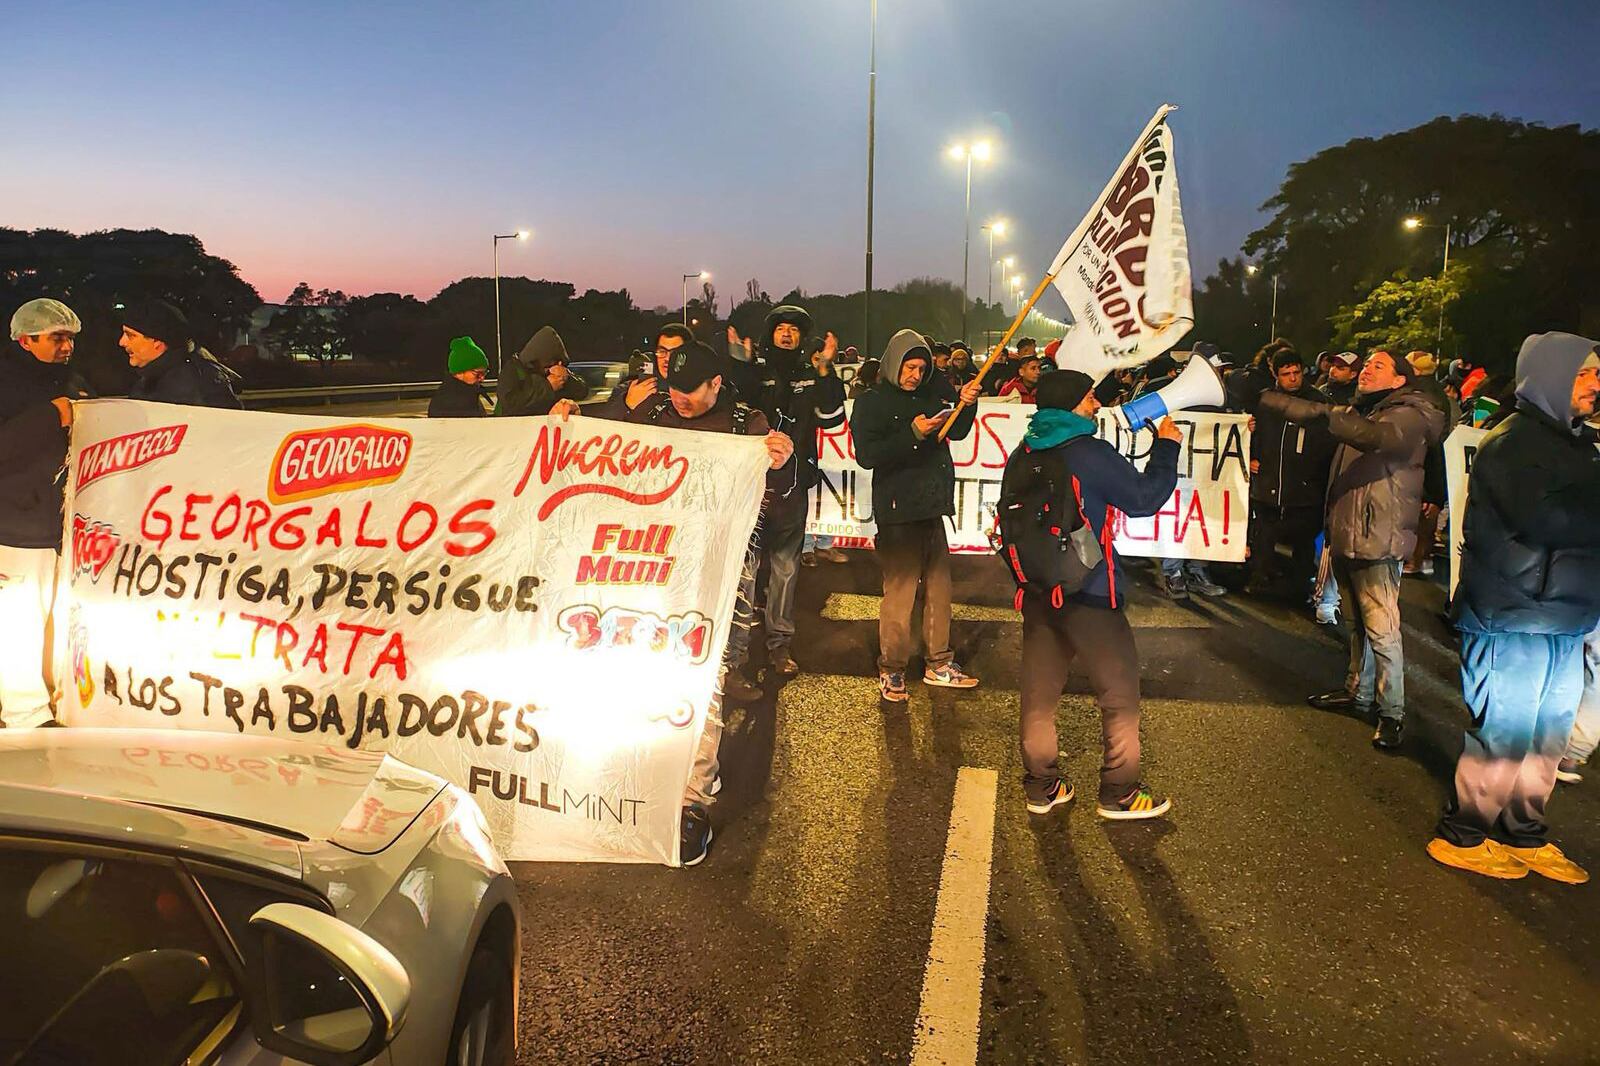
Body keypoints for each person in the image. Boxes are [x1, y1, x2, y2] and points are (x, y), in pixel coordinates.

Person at [602, 341, 795, 864]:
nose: (680, 400)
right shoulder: (655, 411)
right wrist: (570, 417)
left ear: (716, 385)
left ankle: (693, 798)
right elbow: (603, 454)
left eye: (691, 391)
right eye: (674, 389)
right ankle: (641, 771)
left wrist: (781, 463)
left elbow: (781, 497)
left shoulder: (746, 424)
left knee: (701, 680)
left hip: (719, 575)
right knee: (639, 674)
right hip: (648, 569)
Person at [1425, 333, 1600, 883]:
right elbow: (1547, 522)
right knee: (1504, 729)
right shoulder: (1513, 444)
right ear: (1550, 377)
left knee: (1548, 734)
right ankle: (1465, 833)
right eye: (1584, 374)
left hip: (1567, 614)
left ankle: (1525, 832)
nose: (1596, 385)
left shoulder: (1578, 446)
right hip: (1513, 616)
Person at [1012, 369, 1183, 820]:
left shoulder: (1023, 450)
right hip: (1090, 592)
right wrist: (1167, 446)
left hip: (1037, 591)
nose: (1095, 404)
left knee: (1039, 695)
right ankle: (1120, 792)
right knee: (1119, 694)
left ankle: (1042, 784)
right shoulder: (1088, 452)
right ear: (1070, 402)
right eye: (1088, 397)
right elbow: (1144, 499)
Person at [1260, 350, 1447, 749]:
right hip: (1351, 531)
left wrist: (1324, 415)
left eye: (1378, 366)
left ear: (1399, 380)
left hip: (1377, 536)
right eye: (1367, 364)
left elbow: (1373, 438)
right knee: (1357, 624)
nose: (1367, 369)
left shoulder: (1408, 416)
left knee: (1383, 630)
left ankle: (1392, 712)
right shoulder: (1371, 409)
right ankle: (1358, 692)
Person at [850, 330, 983, 700]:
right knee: (901, 594)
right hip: (897, 512)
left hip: (932, 506)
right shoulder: (871, 401)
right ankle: (892, 669)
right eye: (909, 367)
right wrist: (913, 432)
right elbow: (867, 455)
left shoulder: (931, 393)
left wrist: (966, 404)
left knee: (940, 591)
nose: (915, 374)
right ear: (894, 364)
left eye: (921, 368)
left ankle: (939, 662)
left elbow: (956, 430)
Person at [726, 305, 847, 677]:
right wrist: (739, 364)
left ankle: (780, 644)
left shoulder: (813, 373)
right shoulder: (754, 369)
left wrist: (826, 369)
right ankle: (735, 653)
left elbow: (833, 418)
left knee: (785, 568)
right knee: (744, 568)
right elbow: (732, 410)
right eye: (780, 328)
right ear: (770, 333)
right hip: (750, 485)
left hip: (793, 486)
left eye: (794, 329)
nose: (787, 334)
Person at [1, 299, 88, 727]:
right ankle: (24, 712)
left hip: (56, 525)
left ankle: (51, 701)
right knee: (19, 620)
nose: (66, 345)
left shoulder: (67, 380)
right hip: (12, 524)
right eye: (57, 337)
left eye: (70, 337)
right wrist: (49, 416)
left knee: (53, 620)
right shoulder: (8, 382)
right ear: (25, 339)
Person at [1247, 348, 1334, 600]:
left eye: (1296, 372)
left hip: (1305, 488)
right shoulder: (1265, 400)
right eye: (1286, 374)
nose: (1293, 378)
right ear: (1276, 374)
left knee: (1304, 540)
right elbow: (1252, 434)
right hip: (1269, 483)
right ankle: (1260, 580)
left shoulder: (1319, 401)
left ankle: (1300, 586)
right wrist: (1251, 450)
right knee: (1264, 534)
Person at [120, 299, 242, 408]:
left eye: (131, 335)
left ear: (157, 341)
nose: (122, 342)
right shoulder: (153, 378)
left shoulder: (192, 385)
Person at [494, 325, 588, 416]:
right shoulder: (513, 370)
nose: (557, 366)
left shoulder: (549, 373)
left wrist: (567, 377)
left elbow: (582, 391)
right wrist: (547, 387)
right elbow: (510, 404)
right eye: (554, 361)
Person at [427, 336, 490, 417]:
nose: (482, 378)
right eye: (477, 374)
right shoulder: (448, 402)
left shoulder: (469, 393)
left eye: (484, 373)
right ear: (459, 373)